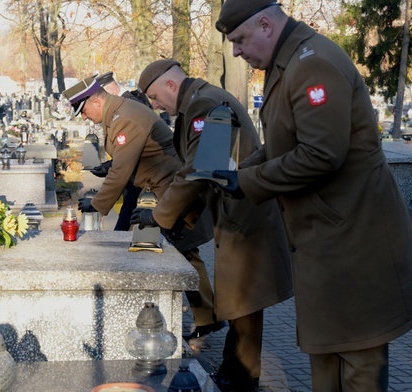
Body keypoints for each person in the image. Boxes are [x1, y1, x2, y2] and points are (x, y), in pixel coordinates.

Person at [212, 1, 412, 391]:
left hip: (355, 239)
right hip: (329, 238)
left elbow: (321, 154)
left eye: (240, 40)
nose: (238, 51)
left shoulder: (312, 63)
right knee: (327, 354)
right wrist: (238, 173)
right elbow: (283, 144)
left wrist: (250, 182)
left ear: (264, 24)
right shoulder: (289, 61)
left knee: (358, 358)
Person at [134, 59, 293, 392]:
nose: (156, 105)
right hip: (238, 213)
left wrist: (161, 216)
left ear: (171, 86)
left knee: (245, 300)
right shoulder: (200, 101)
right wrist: (178, 218)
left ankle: (240, 376)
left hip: (244, 214)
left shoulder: (204, 104)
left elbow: (200, 167)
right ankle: (237, 371)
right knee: (241, 300)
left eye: (155, 96)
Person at [62, 75, 223, 343]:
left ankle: (206, 317)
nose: (85, 118)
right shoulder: (118, 112)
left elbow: (123, 169)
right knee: (184, 253)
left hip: (171, 190)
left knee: (184, 252)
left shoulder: (124, 117)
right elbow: (131, 157)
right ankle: (208, 316)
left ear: (96, 100)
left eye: (84, 111)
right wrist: (108, 167)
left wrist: (98, 204)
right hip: (164, 188)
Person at [90, 71, 148, 231]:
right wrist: (108, 166)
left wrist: (97, 203)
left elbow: (132, 149)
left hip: (140, 173)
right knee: (128, 213)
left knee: (128, 215)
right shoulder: (127, 102)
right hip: (134, 171)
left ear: (107, 91)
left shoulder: (129, 104)